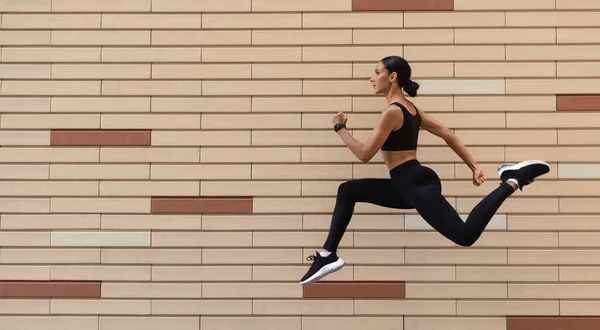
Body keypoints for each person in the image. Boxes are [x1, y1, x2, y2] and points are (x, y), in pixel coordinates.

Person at [299, 55, 550, 285]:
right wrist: (473, 165)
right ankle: (328, 253)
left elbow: (365, 154)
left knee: (465, 235)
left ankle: (512, 180)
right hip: (406, 184)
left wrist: (340, 129)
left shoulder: (392, 112)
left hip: (413, 183)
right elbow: (447, 134)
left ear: (392, 76)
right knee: (348, 190)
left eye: (377, 72)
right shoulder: (412, 110)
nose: (372, 78)